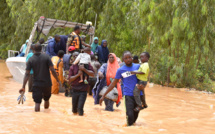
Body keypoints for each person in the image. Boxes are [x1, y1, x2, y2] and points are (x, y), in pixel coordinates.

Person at [99, 51, 143, 126]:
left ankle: (132, 125)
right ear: (123, 59)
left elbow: (144, 76)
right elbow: (113, 83)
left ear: (132, 58)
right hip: (128, 95)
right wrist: (103, 96)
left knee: (135, 115)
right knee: (130, 115)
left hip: (138, 94)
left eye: (129, 57)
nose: (128, 59)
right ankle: (129, 126)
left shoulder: (138, 66)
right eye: (126, 58)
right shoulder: (120, 70)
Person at [19, 43, 60, 112]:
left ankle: (37, 117)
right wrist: (57, 80)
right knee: (46, 99)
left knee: (37, 103)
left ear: (33, 49)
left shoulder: (31, 59)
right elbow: (52, 70)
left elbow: (27, 74)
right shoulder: (47, 57)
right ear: (41, 49)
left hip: (36, 84)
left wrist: (23, 86)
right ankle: (46, 116)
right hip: (47, 83)